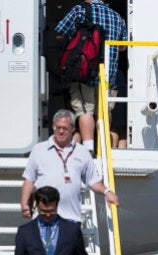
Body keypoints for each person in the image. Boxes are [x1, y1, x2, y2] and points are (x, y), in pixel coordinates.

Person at [21, 109, 119, 223]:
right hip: (43, 217)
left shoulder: (82, 152)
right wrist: (24, 204)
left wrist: (107, 192)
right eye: (58, 127)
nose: (61, 131)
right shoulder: (39, 149)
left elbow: (93, 181)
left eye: (65, 128)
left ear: (73, 129)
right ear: (53, 126)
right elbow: (29, 180)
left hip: (71, 218)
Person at [55, 0, 128, 152]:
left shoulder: (79, 10)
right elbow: (123, 47)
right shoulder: (117, 17)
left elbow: (60, 33)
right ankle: (103, 148)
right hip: (109, 75)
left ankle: (88, 149)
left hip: (85, 73)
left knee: (85, 111)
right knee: (104, 111)